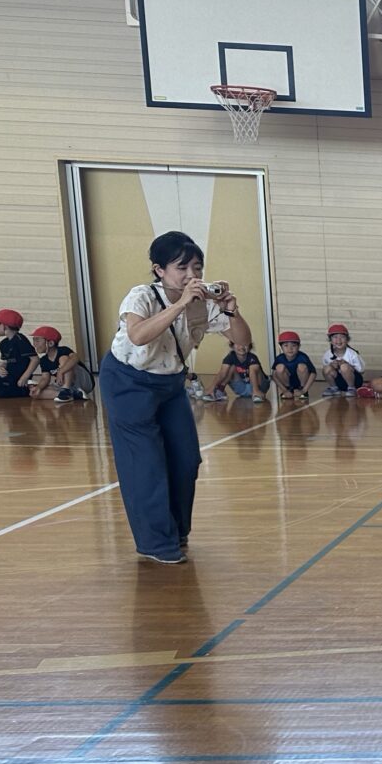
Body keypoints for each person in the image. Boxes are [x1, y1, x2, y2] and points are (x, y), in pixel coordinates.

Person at [101, 230, 252, 563]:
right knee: (145, 464)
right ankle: (157, 543)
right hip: (128, 383)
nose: (192, 275)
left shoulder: (204, 303)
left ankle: (177, 530)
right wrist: (181, 303)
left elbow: (242, 341)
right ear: (159, 270)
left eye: (196, 267)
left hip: (170, 384)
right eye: (182, 267)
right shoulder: (141, 296)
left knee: (186, 459)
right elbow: (139, 335)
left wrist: (230, 310)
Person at [26, 326, 91, 402]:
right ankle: (74, 395)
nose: (34, 344)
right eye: (34, 341)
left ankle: (66, 389)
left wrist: (61, 371)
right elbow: (45, 378)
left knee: (64, 359)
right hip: (69, 387)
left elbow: (75, 358)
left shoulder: (63, 350)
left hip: (83, 382)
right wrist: (39, 388)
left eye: (37, 341)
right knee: (36, 393)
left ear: (50, 343)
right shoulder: (44, 360)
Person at [0, 309, 36, 398]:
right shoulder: (3, 343)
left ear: (4, 326)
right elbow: (7, 361)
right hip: (7, 377)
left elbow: (35, 359)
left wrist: (24, 378)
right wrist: (1, 367)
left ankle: (26, 389)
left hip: (18, 380)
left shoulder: (20, 340)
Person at [321, 323, 365, 397]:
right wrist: (332, 365)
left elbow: (361, 370)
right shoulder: (328, 354)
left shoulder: (352, 354)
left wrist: (348, 365)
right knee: (327, 368)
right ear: (330, 341)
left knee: (344, 367)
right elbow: (325, 370)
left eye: (342, 337)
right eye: (335, 337)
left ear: (347, 340)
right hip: (339, 382)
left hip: (355, 381)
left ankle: (351, 388)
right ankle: (334, 388)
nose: (338, 340)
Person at [271, 331, 316, 401]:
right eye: (286, 345)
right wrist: (284, 390)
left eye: (293, 345)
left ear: (299, 346)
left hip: (300, 383)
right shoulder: (279, 358)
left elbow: (313, 373)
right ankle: (289, 389)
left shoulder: (303, 357)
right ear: (281, 347)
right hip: (287, 383)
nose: (290, 348)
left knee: (302, 366)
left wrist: (304, 390)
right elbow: (273, 375)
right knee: (279, 368)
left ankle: (302, 391)